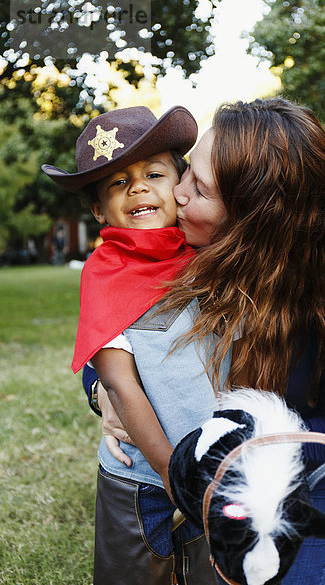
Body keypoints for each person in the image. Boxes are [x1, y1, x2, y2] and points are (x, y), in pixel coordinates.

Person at [90, 97, 325, 585]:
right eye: (186, 172)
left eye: (202, 189)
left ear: (255, 215)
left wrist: (246, 444)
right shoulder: (187, 253)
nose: (179, 194)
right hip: (203, 471)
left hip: (290, 478)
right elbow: (120, 324)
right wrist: (104, 390)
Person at [43, 105, 227, 585]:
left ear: (183, 184)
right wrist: (175, 479)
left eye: (153, 173)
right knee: (134, 571)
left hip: (215, 463)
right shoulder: (105, 274)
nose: (139, 187)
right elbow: (117, 382)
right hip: (143, 473)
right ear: (99, 209)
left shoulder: (214, 257)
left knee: (215, 571)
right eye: (118, 182)